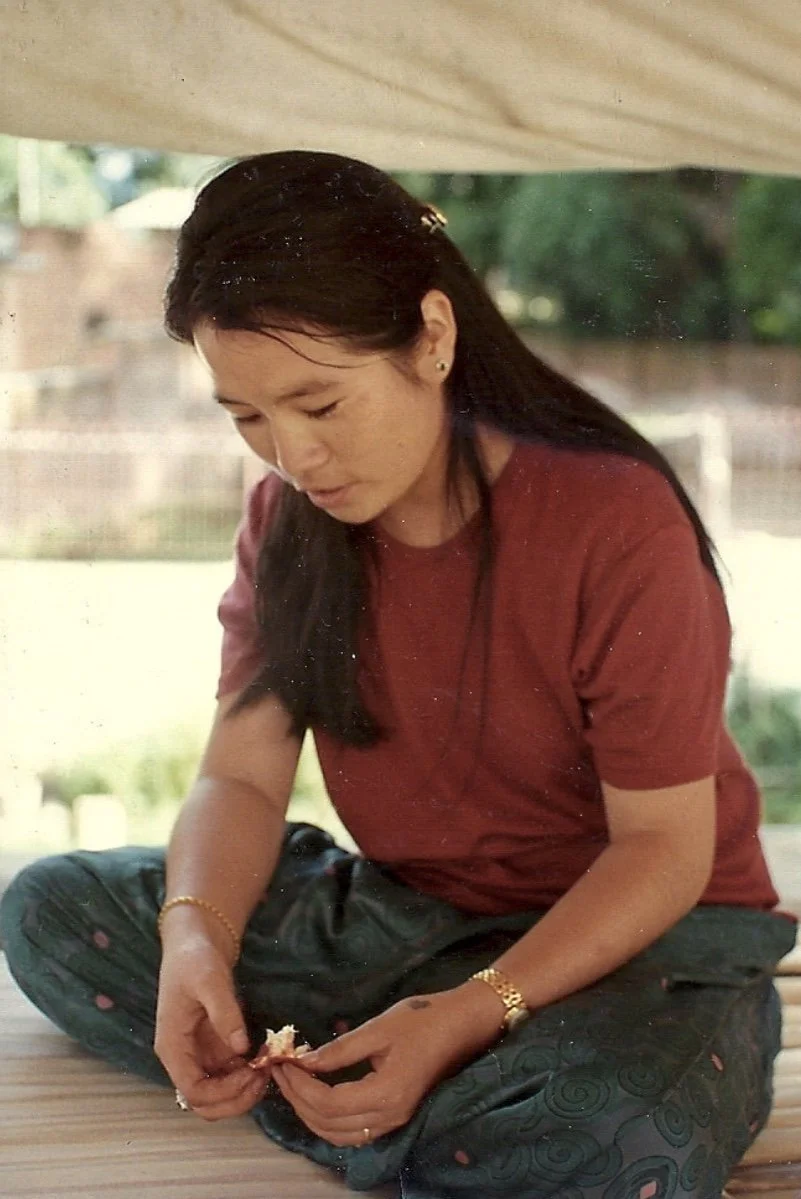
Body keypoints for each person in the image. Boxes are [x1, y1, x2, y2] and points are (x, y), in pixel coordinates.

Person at [1, 151, 796, 1199]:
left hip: (644, 946)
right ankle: (430, 1106)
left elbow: (661, 850)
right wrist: (194, 934)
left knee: (614, 1140)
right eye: (247, 417)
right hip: (408, 922)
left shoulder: (614, 522)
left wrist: (475, 1010)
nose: (292, 455)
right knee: (48, 909)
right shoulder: (288, 523)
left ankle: (422, 1088)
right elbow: (239, 776)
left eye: (320, 405)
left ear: (432, 336)